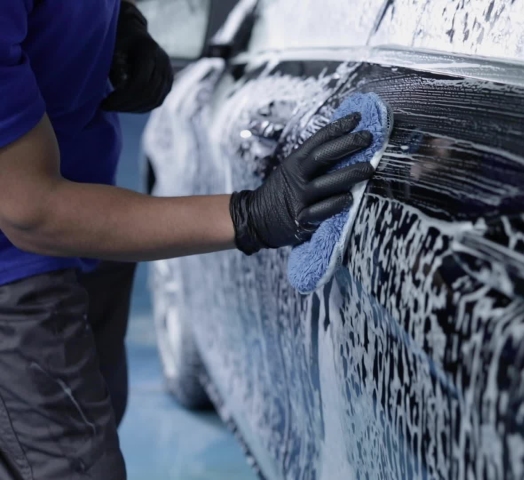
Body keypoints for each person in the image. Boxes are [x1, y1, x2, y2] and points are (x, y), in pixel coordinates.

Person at [0, 1, 374, 478]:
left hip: (93, 231)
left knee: (97, 419)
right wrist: (250, 217)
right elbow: (32, 211)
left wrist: (121, 26)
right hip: (18, 267)